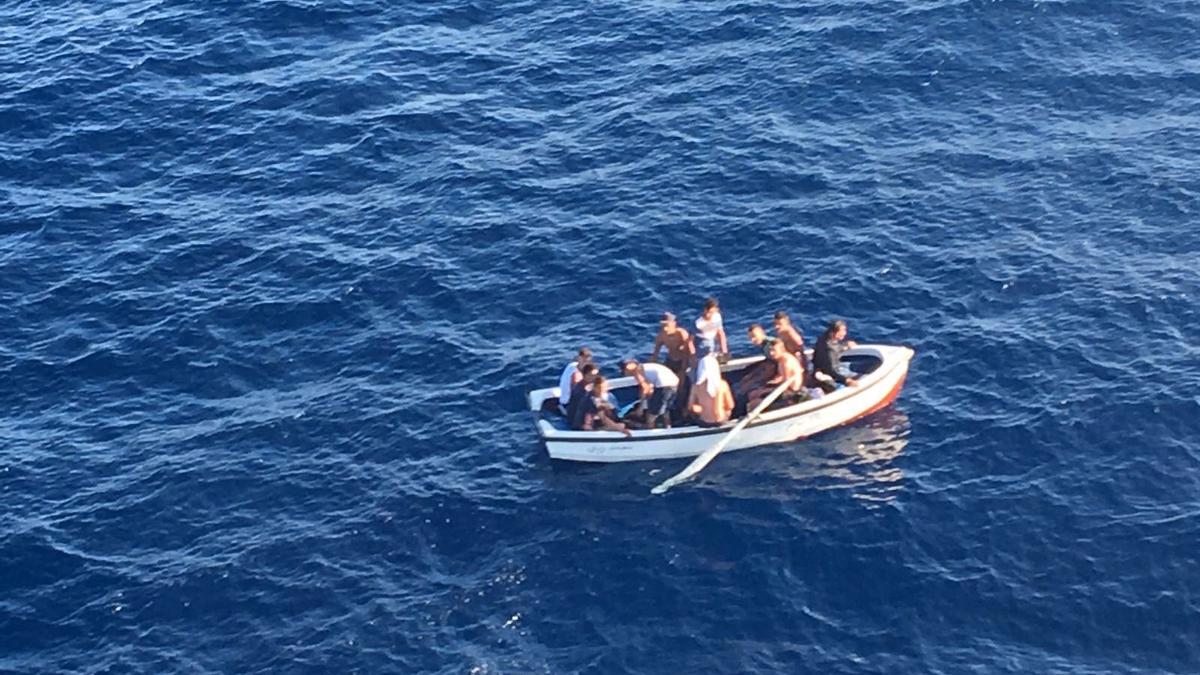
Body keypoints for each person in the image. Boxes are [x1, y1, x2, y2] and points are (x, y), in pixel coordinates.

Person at [746, 339, 806, 410]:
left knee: (754, 402)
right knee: (753, 393)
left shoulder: (786, 363)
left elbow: (785, 386)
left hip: (792, 393)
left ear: (781, 350)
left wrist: (764, 391)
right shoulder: (781, 359)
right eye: (771, 350)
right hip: (785, 388)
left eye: (774, 351)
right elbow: (782, 376)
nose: (771, 353)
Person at [622, 359, 680, 429]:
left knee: (652, 413)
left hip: (664, 385)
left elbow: (646, 389)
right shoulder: (645, 367)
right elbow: (649, 387)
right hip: (674, 383)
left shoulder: (638, 371)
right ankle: (668, 427)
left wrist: (640, 408)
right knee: (665, 410)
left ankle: (651, 430)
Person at [812, 319, 859, 393]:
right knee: (858, 372)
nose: (844, 333)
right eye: (842, 331)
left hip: (820, 368)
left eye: (845, 330)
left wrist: (845, 346)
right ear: (833, 333)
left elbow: (835, 347)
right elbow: (830, 371)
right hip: (830, 374)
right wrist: (846, 380)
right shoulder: (829, 350)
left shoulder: (823, 339)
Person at [687, 354, 734, 427]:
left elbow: (691, 407)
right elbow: (730, 405)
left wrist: (703, 410)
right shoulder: (722, 384)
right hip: (721, 421)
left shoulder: (696, 387)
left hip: (704, 422)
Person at [649, 312, 694, 382]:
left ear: (673, 324)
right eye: (663, 326)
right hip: (670, 361)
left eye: (667, 325)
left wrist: (683, 369)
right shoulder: (661, 336)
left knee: (682, 382)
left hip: (683, 361)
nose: (665, 329)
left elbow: (687, 352)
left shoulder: (681, 334)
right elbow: (655, 354)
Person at [735, 323, 778, 394]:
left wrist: (756, 379)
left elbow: (773, 365)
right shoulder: (764, 345)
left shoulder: (770, 345)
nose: (752, 340)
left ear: (762, 333)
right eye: (750, 338)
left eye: (754, 336)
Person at [693, 297, 728, 363]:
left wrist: (724, 351)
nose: (708, 315)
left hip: (714, 344)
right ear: (704, 310)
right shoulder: (698, 322)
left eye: (711, 312)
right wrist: (693, 356)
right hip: (701, 345)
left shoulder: (717, 317)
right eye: (707, 312)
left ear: (716, 310)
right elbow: (690, 341)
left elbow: (720, 333)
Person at [773, 311, 809, 375]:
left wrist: (802, 370)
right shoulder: (781, 331)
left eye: (779, 324)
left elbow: (801, 354)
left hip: (792, 364)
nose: (776, 326)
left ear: (786, 322)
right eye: (775, 323)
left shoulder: (793, 336)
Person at [565, 364, 599, 430]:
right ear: (584, 375)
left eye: (596, 375)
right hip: (579, 423)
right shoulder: (581, 391)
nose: (595, 377)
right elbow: (579, 411)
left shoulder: (590, 386)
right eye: (592, 375)